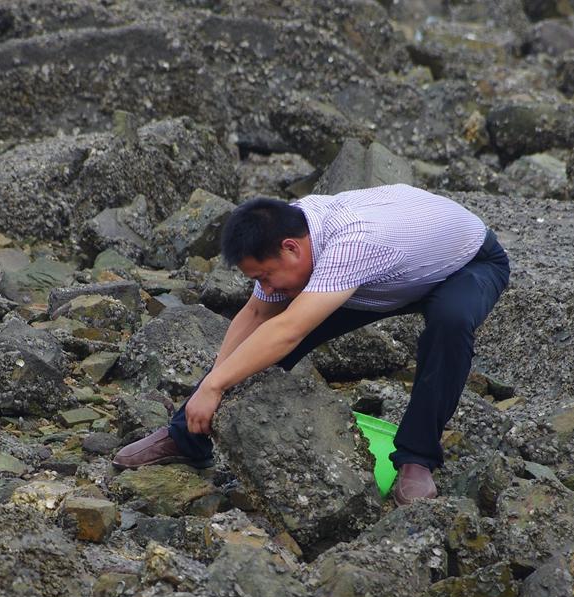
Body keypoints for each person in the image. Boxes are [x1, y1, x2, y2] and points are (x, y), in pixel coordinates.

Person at [112, 183, 510, 506]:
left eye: (265, 276)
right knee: (265, 338)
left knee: (451, 322)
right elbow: (256, 316)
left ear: (291, 248)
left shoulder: (354, 244)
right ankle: (186, 438)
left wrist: (216, 386)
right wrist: (207, 389)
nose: (265, 287)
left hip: (466, 264)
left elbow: (288, 330)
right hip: (389, 274)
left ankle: (417, 459)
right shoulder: (289, 228)